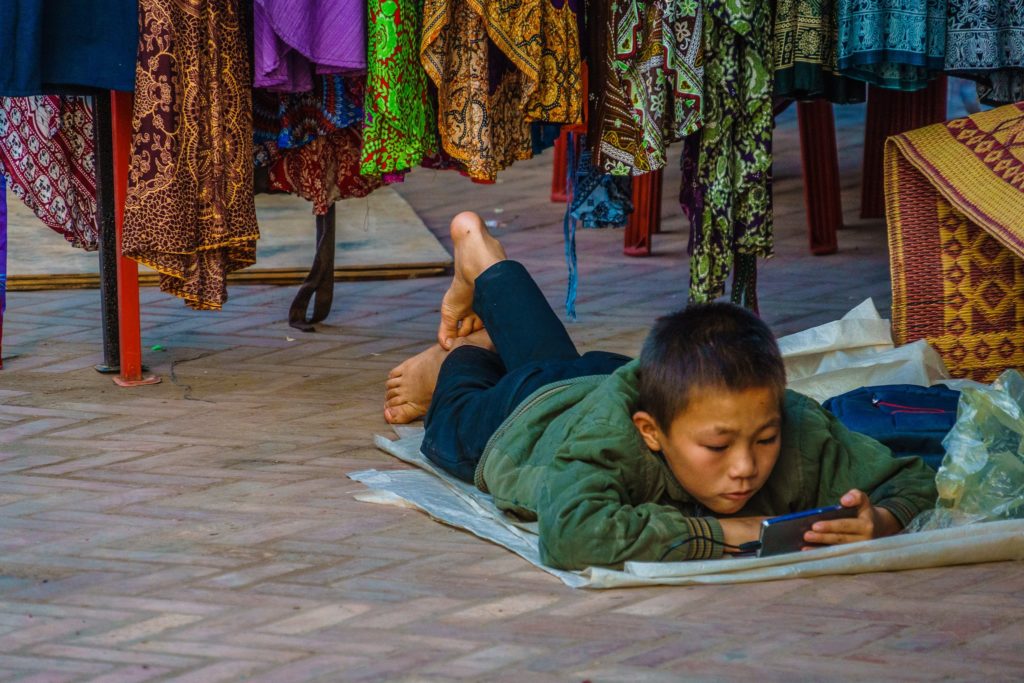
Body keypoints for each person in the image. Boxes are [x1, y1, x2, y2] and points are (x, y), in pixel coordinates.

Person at [384, 212, 938, 571]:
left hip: (600, 373)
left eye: (763, 439)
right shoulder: (611, 442)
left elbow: (910, 478)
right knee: (449, 429)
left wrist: (880, 521)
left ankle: (485, 268)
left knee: (556, 363)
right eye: (718, 448)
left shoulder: (791, 425)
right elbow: (572, 537)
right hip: (519, 419)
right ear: (650, 431)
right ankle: (460, 356)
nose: (746, 466)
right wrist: (728, 533)